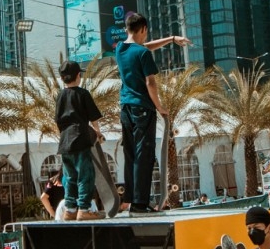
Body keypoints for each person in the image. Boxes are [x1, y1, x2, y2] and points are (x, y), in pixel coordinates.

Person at [113, 12, 191, 215]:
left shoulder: (120, 49)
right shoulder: (143, 54)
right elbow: (151, 83)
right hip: (142, 108)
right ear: (144, 29)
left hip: (125, 108)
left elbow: (144, 47)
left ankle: (131, 200)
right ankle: (140, 204)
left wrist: (171, 39)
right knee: (143, 155)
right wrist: (160, 107)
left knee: (130, 154)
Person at [54, 60, 103, 219]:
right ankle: (84, 209)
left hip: (65, 141)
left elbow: (58, 120)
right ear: (78, 76)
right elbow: (93, 116)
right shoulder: (83, 94)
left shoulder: (60, 96)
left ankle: (70, 210)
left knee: (69, 177)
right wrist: (97, 132)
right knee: (85, 175)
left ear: (62, 78)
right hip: (80, 137)